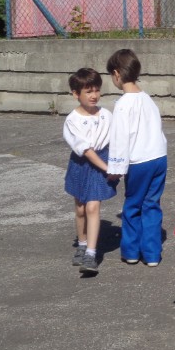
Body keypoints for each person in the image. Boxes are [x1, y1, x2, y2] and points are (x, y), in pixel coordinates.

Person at [106, 49, 168, 267]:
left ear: (116, 74)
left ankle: (131, 251)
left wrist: (115, 170)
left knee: (132, 206)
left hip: (139, 161)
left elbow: (120, 139)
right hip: (159, 157)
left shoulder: (123, 104)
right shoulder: (147, 99)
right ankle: (152, 254)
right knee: (151, 204)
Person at [63, 68, 117, 275]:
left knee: (93, 207)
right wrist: (107, 167)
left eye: (96, 90)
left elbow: (116, 141)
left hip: (101, 161)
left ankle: (91, 255)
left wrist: (116, 165)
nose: (94, 95)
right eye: (88, 91)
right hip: (81, 164)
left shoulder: (106, 115)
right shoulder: (72, 120)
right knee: (80, 208)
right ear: (76, 94)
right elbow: (85, 150)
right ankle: (82, 243)